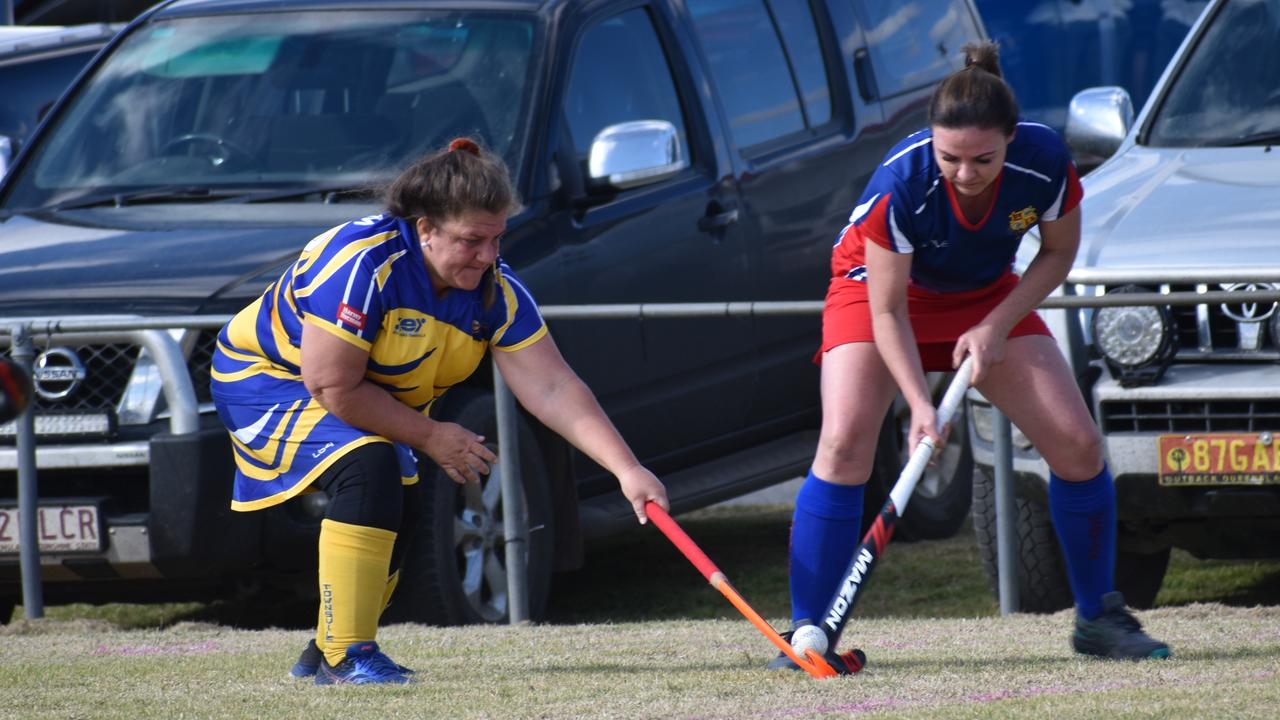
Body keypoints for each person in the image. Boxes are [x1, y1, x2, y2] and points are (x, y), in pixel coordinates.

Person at [210, 138, 669, 685]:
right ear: (425, 228)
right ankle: (347, 655)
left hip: (352, 392)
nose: (489, 256)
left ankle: (324, 655)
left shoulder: (495, 287)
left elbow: (550, 386)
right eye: (472, 240)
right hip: (267, 379)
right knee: (368, 465)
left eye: (497, 238)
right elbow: (331, 383)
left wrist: (627, 469)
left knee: (398, 511)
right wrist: (430, 435)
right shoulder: (362, 261)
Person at [773, 41, 1169, 669]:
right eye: (948, 157)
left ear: (1012, 139)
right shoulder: (899, 185)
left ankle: (1099, 617)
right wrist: (919, 406)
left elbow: (1057, 254)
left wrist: (996, 324)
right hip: (876, 292)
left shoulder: (1045, 162)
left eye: (982, 158)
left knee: (1076, 443)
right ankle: (805, 636)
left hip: (986, 295)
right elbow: (887, 310)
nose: (964, 172)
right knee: (845, 443)